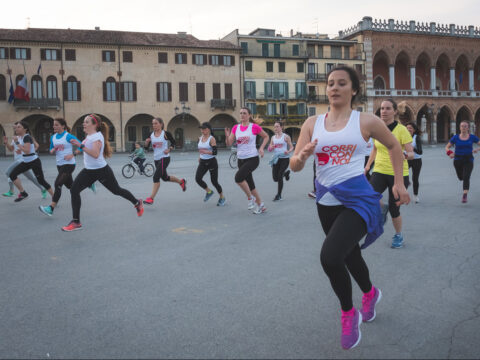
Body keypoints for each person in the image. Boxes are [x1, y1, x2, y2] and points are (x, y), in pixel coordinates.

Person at [290, 66, 409, 350]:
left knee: (330, 257)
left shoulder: (365, 121)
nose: (333, 88)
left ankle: (348, 312)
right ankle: (370, 293)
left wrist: (399, 184)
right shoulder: (311, 123)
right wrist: (303, 157)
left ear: (353, 89)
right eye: (330, 83)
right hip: (325, 201)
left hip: (357, 199)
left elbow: (393, 146)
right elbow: (294, 165)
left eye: (341, 83)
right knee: (349, 254)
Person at [62, 114, 144, 231]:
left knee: (117, 191)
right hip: (89, 171)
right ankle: (76, 222)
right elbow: (83, 148)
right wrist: (73, 154)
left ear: (95, 125)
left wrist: (80, 145)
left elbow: (95, 154)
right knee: (74, 190)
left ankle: (137, 202)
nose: (83, 124)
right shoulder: (89, 136)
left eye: (87, 122)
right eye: (84, 122)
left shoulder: (96, 137)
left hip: (101, 171)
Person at [365, 98, 414, 249]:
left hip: (398, 174)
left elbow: (411, 153)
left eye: (387, 108)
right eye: (382, 108)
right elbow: (375, 149)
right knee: (369, 197)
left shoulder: (401, 130)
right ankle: (381, 208)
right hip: (379, 170)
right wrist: (367, 167)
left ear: (394, 111)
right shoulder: (378, 129)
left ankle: (398, 235)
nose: (383, 111)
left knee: (394, 209)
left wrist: (405, 155)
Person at [225, 107, 269, 214]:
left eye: (244, 113)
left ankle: (250, 198)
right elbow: (229, 143)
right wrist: (227, 136)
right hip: (241, 159)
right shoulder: (236, 128)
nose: (242, 115)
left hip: (252, 159)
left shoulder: (254, 127)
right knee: (251, 185)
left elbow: (266, 136)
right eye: (240, 113)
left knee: (238, 178)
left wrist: (262, 148)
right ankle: (261, 205)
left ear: (249, 115)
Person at [38, 118, 83, 216]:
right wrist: (53, 149)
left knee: (58, 184)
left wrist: (73, 154)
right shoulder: (53, 137)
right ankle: (87, 184)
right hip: (59, 165)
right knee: (71, 186)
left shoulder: (68, 136)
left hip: (69, 164)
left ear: (63, 126)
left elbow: (82, 145)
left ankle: (51, 208)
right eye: (53, 125)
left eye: (56, 125)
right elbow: (50, 150)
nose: (54, 126)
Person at [8, 121, 54, 202]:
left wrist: (17, 143)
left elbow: (27, 151)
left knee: (41, 180)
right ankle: (23, 193)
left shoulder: (27, 137)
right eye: (16, 127)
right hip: (26, 161)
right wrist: (20, 150)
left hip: (34, 161)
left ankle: (54, 197)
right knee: (12, 175)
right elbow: (24, 150)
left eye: (19, 127)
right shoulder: (21, 137)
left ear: (25, 129)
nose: (16, 129)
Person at [143, 117, 186, 205]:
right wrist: (146, 143)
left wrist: (169, 149)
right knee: (165, 178)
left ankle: (151, 198)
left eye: (156, 123)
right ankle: (181, 182)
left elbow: (174, 142)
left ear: (161, 124)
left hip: (165, 158)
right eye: (153, 123)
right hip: (156, 159)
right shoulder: (151, 134)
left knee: (156, 177)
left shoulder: (165, 134)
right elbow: (146, 148)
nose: (154, 125)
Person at [445, 120, 480, 203]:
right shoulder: (455, 137)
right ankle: (463, 180)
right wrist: (450, 153)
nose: (463, 128)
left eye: (465, 126)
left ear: (468, 128)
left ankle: (465, 195)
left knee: (466, 177)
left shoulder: (472, 137)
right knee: (461, 177)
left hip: (468, 159)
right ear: (459, 127)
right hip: (457, 160)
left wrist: (477, 149)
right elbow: (447, 147)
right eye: (462, 126)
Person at [195, 122, 226, 206]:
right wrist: (200, 156)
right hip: (202, 161)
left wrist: (206, 152)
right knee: (198, 179)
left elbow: (215, 152)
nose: (202, 130)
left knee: (214, 182)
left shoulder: (211, 139)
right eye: (201, 129)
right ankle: (209, 191)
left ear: (208, 129)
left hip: (211, 162)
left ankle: (222, 197)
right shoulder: (200, 138)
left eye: (204, 129)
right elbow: (200, 149)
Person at [268, 120, 294, 201]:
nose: (275, 128)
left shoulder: (286, 137)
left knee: (279, 177)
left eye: (277, 126)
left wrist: (288, 151)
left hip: (285, 159)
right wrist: (271, 148)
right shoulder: (273, 138)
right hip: (276, 159)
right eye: (275, 126)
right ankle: (286, 173)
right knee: (275, 178)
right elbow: (269, 149)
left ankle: (279, 195)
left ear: (281, 127)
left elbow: (291, 147)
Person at [406, 122, 423, 203]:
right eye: (407, 128)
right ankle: (406, 184)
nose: (408, 129)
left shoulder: (417, 138)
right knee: (401, 175)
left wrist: (412, 148)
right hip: (407, 159)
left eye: (410, 128)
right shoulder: (403, 137)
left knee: (415, 178)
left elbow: (420, 152)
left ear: (414, 130)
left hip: (416, 160)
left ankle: (415, 196)